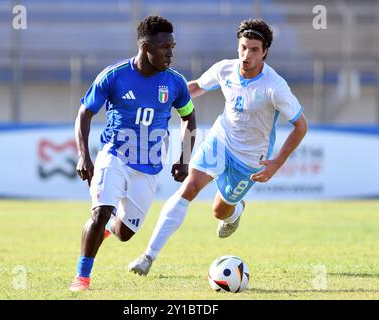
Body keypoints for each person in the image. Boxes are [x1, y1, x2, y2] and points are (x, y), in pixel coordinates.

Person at [128, 18, 308, 276]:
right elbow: (195, 88)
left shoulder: (275, 87)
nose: (246, 54)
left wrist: (278, 162)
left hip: (249, 159)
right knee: (188, 187)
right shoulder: (225, 69)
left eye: (254, 49)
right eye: (243, 47)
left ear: (265, 51)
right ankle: (148, 257)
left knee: (219, 211)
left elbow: (301, 125)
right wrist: (160, 99)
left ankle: (235, 212)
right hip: (220, 139)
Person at [69, 15, 196, 291]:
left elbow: (189, 118)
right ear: (146, 47)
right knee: (100, 211)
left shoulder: (175, 83)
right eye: (165, 48)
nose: (171, 54)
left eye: (173, 47)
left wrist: (184, 158)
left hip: (149, 167)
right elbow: (85, 113)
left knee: (124, 233)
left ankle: (110, 225)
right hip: (114, 155)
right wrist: (83, 155)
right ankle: (81, 278)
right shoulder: (114, 76)